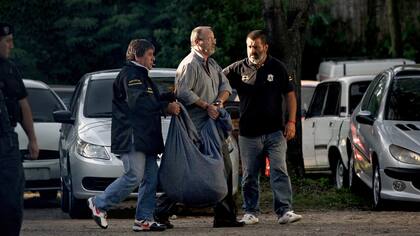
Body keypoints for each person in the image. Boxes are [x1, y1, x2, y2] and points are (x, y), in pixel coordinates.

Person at [154, 26, 244, 228]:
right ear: (197, 42)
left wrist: (218, 104)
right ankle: (158, 212)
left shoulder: (211, 64)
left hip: (212, 127)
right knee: (187, 173)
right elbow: (183, 92)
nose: (214, 42)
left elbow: (226, 87)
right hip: (193, 128)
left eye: (213, 38)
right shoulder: (189, 64)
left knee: (226, 168)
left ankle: (224, 216)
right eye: (210, 39)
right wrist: (206, 105)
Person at [87, 39, 180, 232]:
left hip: (146, 138)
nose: (153, 59)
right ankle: (99, 203)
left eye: (153, 55)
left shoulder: (142, 76)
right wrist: (165, 107)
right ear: (137, 55)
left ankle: (143, 219)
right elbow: (137, 104)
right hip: (133, 136)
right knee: (133, 176)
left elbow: (148, 99)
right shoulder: (131, 75)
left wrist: (170, 96)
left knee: (150, 178)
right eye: (149, 55)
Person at [223, 30, 302, 225]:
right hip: (248, 133)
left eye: (256, 46)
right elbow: (218, 82)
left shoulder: (278, 67)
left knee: (279, 169)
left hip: (275, 131)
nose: (252, 50)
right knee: (249, 174)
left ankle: (284, 211)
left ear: (265, 47)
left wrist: (291, 122)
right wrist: (218, 102)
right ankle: (250, 212)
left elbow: (290, 96)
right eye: (249, 46)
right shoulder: (236, 69)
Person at [0, 22, 39, 236]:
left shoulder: (9, 68)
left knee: (11, 202)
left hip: (6, 142)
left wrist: (32, 139)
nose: (11, 46)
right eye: (7, 41)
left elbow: (22, 103)